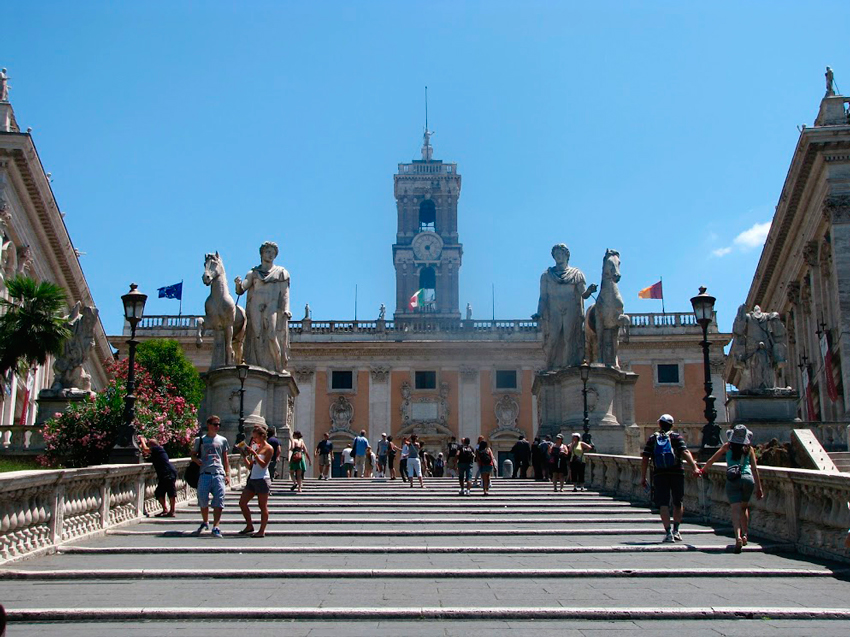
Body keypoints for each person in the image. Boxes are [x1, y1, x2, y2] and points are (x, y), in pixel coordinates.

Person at [700, 425, 764, 553]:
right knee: (744, 507)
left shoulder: (727, 447)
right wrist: (759, 488)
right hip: (748, 479)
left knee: (735, 509)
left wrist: (702, 470)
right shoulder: (749, 449)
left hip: (733, 479)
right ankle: (746, 534)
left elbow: (712, 459)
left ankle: (738, 537)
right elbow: (754, 469)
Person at [640, 414, 700, 543]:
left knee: (663, 503)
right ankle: (676, 530)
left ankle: (668, 533)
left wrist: (643, 477)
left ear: (660, 424)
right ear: (672, 425)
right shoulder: (676, 437)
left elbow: (645, 458)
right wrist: (694, 468)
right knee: (678, 502)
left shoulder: (652, 438)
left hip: (659, 473)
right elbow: (684, 452)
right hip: (677, 472)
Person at [234, 241, 291, 372]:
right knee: (256, 336)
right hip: (255, 305)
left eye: (273, 253)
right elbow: (241, 289)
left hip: (272, 305)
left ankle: (278, 366)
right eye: (268, 252)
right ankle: (258, 367)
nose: (270, 255)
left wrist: (286, 309)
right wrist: (238, 284)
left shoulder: (281, 273)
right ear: (262, 254)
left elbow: (285, 294)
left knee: (272, 334)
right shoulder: (253, 273)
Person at [190, 415, 231, 538]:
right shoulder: (200, 440)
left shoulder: (223, 440)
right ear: (208, 425)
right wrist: (196, 460)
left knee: (219, 500)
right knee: (202, 498)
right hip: (204, 474)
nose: (217, 427)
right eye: (215, 424)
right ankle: (205, 521)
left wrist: (227, 474)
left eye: (219, 424)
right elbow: (193, 455)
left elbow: (225, 459)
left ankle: (216, 526)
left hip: (218, 473)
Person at [238, 425, 273, 538]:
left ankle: (262, 530)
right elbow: (250, 467)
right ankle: (249, 525)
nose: (254, 440)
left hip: (263, 479)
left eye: (256, 437)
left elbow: (263, 465)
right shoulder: (256, 448)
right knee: (242, 503)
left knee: (262, 505)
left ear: (262, 436)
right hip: (253, 478)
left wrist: (255, 454)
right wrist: (245, 457)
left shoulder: (269, 448)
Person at [138, 435, 177, 517]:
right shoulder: (157, 452)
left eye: (149, 445)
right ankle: (165, 509)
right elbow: (148, 456)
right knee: (159, 492)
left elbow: (145, 449)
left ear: (152, 445)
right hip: (163, 474)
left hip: (168, 472)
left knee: (171, 492)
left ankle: (172, 511)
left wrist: (142, 440)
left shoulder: (158, 448)